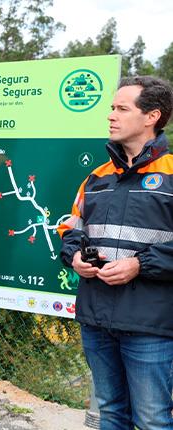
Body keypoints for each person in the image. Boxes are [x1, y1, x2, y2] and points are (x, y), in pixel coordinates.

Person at [58, 76, 173, 430]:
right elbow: (72, 228)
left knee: (153, 420)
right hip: (96, 319)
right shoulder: (96, 177)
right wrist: (74, 256)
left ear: (152, 116)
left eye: (122, 108)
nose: (111, 115)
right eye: (112, 108)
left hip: (150, 325)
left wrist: (140, 265)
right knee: (109, 413)